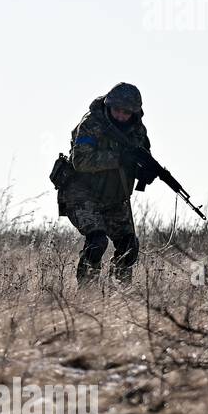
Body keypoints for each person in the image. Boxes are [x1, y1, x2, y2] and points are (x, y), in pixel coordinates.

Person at [58, 82, 159, 286]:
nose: (121, 115)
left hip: (115, 196)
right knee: (97, 242)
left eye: (127, 112)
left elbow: (141, 157)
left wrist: (145, 172)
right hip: (82, 192)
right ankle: (87, 295)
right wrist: (119, 158)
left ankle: (121, 298)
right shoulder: (92, 124)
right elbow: (81, 161)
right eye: (117, 110)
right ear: (108, 105)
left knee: (129, 247)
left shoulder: (138, 131)